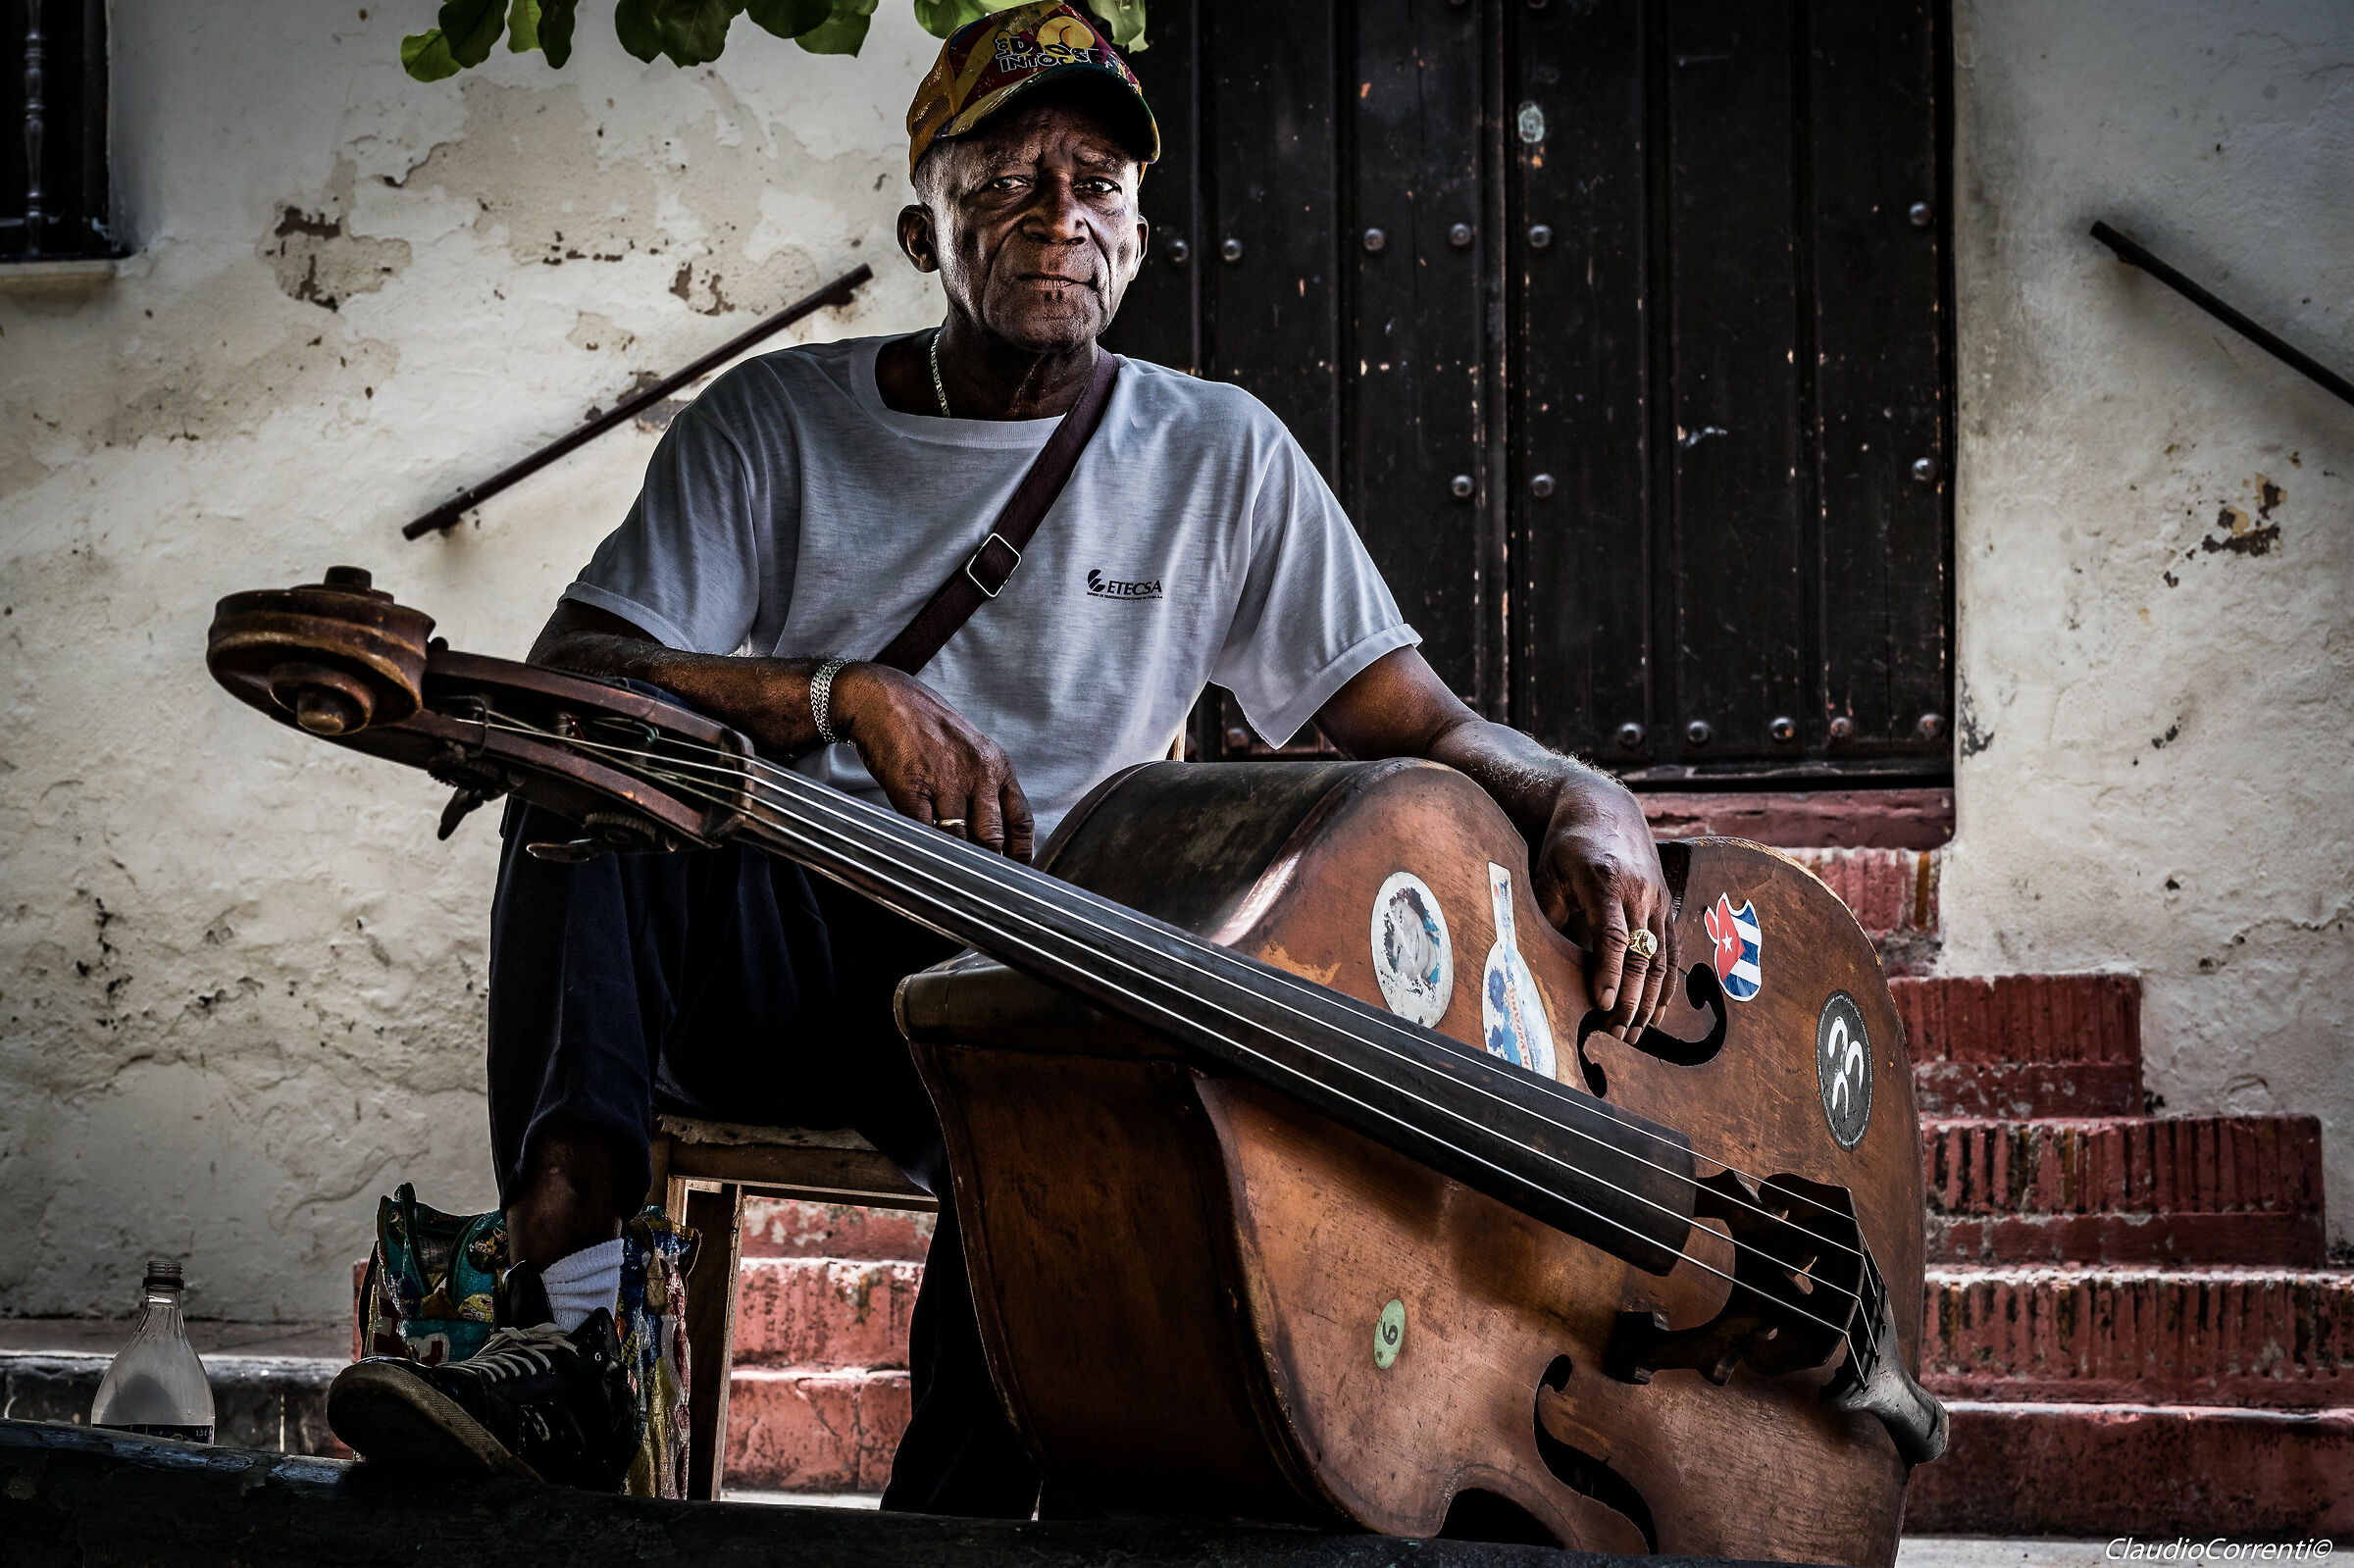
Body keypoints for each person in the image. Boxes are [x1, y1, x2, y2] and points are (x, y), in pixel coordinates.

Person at [327, 0, 1679, 1508]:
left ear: (1143, 240)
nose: (1060, 216)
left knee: (1075, 1081)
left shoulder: (1216, 453)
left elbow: (1417, 725)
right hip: (778, 955)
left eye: (1098, 186)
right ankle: (567, 1350)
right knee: (588, 798)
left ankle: (958, 1514)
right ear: (924, 230)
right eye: (1009, 179)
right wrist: (838, 694)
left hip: (1033, 968)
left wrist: (1581, 789)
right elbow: (581, 678)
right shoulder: (775, 422)